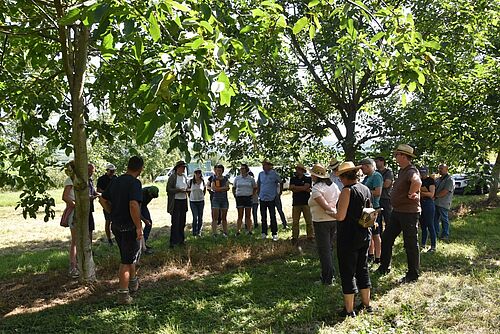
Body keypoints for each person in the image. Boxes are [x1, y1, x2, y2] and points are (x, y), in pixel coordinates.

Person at [330, 161, 373, 318]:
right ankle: (367, 304)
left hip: (348, 237)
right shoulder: (365, 189)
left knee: (347, 272)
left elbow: (340, 216)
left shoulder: (347, 191)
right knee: (362, 269)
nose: (340, 180)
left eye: (340, 176)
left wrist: (329, 211)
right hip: (364, 235)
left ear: (344, 176)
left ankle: (349, 310)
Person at [99, 156, 144, 305]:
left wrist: (112, 212)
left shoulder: (115, 181)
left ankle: (133, 282)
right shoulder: (135, 183)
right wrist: (138, 227)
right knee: (126, 260)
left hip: (116, 225)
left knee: (129, 255)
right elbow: (133, 205)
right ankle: (123, 294)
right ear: (140, 168)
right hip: (128, 226)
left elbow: (102, 199)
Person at [376, 144, 422, 284]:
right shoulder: (403, 171)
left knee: (410, 243)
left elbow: (417, 181)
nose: (395, 157)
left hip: (408, 213)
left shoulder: (411, 171)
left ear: (403, 156)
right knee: (387, 237)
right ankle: (384, 267)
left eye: (397, 155)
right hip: (398, 211)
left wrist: (411, 193)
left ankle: (413, 274)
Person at [308, 163, 340, 285]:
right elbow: (337, 200)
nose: (311, 176)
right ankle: (330, 273)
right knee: (329, 248)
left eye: (312, 174)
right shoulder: (333, 186)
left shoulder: (317, 189)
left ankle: (327, 278)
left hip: (322, 222)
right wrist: (336, 215)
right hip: (332, 221)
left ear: (316, 176)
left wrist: (335, 214)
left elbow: (325, 206)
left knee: (324, 250)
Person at [359, 158, 383, 264]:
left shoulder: (376, 176)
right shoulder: (366, 178)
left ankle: (378, 256)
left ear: (368, 166)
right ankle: (371, 254)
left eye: (363, 168)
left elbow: (378, 192)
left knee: (375, 234)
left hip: (374, 208)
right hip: (367, 208)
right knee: (369, 232)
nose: (362, 170)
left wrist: (365, 192)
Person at [257, 159, 282, 241]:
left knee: (272, 216)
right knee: (263, 216)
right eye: (263, 165)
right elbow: (259, 184)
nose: (264, 166)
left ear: (270, 166)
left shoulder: (274, 174)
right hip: (263, 197)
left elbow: (280, 182)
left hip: (271, 198)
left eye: (266, 165)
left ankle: (274, 233)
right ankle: (264, 232)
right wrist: (258, 193)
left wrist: (279, 192)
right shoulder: (260, 174)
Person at [62, 160, 78, 278]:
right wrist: (74, 205)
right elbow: (65, 196)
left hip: (80, 211)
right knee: (75, 240)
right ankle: (72, 266)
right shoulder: (70, 180)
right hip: (74, 212)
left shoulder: (79, 180)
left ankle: (80, 264)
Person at [289, 163, 313, 243]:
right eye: (297, 169)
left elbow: (306, 187)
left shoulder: (307, 178)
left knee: (309, 221)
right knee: (295, 221)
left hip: (306, 202)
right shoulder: (293, 179)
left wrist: (296, 187)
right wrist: (303, 188)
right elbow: (291, 188)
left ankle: (310, 236)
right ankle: (295, 237)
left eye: (299, 169)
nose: (297, 171)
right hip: (296, 202)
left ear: (302, 170)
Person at [167, 160, 189, 247]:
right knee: (175, 222)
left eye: (184, 167)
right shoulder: (173, 177)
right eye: (182, 167)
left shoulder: (184, 177)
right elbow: (168, 189)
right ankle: (173, 241)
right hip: (175, 201)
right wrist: (178, 190)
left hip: (183, 200)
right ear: (178, 168)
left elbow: (187, 187)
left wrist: (187, 190)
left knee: (182, 222)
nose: (184, 169)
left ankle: (181, 240)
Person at [232, 163, 257, 235]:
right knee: (240, 215)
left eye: (243, 168)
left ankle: (249, 230)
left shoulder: (251, 179)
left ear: (246, 170)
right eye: (241, 168)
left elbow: (255, 188)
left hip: (248, 197)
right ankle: (238, 231)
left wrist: (252, 195)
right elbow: (234, 187)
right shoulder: (237, 178)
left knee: (248, 215)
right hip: (239, 197)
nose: (241, 170)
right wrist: (235, 195)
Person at [97, 163, 117, 245]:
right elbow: (98, 189)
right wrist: (106, 193)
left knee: (116, 220)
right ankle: (109, 239)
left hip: (115, 201)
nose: (112, 172)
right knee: (108, 220)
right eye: (111, 171)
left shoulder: (116, 178)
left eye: (113, 171)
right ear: (107, 170)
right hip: (106, 201)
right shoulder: (102, 179)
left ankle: (117, 236)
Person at [434, 164, 454, 241]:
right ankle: (435, 233)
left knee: (444, 219)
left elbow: (445, 191)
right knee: (434, 219)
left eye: (442, 168)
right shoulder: (438, 179)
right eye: (439, 168)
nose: (440, 170)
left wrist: (435, 196)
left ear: (447, 169)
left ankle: (445, 234)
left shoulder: (450, 180)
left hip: (444, 203)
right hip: (436, 203)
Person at [418, 167, 436, 252]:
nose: (422, 174)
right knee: (423, 226)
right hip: (420, 204)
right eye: (421, 172)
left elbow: (431, 194)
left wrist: (421, 193)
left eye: (424, 172)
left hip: (428, 204)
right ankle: (423, 244)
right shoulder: (419, 180)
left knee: (430, 225)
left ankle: (433, 246)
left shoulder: (431, 181)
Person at [374, 156, 394, 232]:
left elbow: (386, 184)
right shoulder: (375, 173)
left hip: (386, 198)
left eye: (377, 161)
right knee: (377, 220)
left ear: (382, 162)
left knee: (388, 219)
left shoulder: (388, 172)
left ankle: (389, 236)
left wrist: (376, 184)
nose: (376, 163)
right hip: (376, 199)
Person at [211, 164, 230, 237]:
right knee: (215, 217)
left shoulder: (225, 178)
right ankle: (214, 233)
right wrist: (223, 188)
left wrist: (219, 189)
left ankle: (225, 232)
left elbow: (228, 188)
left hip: (224, 200)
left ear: (222, 171)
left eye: (220, 170)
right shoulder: (214, 178)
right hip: (216, 199)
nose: (218, 172)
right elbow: (213, 188)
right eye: (217, 170)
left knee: (224, 217)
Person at [141, 186, 159, 254]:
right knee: (138, 225)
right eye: (152, 196)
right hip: (137, 206)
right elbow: (138, 211)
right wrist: (144, 220)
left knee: (149, 223)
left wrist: (147, 221)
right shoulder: (141, 194)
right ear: (149, 193)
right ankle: (140, 246)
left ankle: (144, 242)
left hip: (143, 206)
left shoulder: (153, 192)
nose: (152, 198)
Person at [188, 168, 206, 237]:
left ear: (200, 174)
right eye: (196, 173)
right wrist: (190, 197)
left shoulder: (202, 181)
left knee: (200, 217)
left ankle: (199, 231)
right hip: (193, 201)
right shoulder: (190, 181)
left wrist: (201, 197)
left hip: (201, 201)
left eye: (199, 173)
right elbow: (188, 190)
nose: (197, 174)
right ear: (194, 173)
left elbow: (204, 191)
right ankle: (194, 232)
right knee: (195, 217)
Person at [88, 163, 98, 242]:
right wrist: (91, 197)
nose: (91, 173)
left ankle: (89, 247)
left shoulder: (90, 180)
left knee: (90, 228)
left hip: (90, 208)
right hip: (84, 207)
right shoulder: (82, 180)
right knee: (87, 228)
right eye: (89, 171)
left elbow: (93, 191)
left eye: (92, 171)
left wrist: (99, 195)